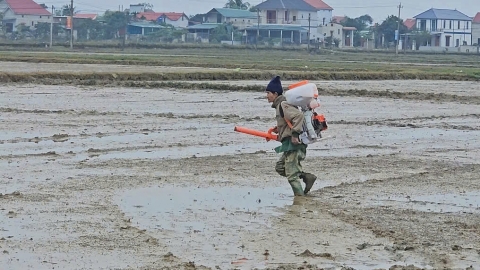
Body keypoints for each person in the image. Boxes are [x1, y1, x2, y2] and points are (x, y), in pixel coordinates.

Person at [265, 76, 317, 196]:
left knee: (292, 176)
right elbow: (288, 121)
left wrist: (294, 134)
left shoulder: (283, 104)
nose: (266, 95)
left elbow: (298, 116)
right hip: (288, 144)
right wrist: (278, 130)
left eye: (268, 93)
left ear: (275, 93)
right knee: (280, 167)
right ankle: (306, 177)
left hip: (294, 144)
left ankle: (299, 200)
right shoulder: (280, 105)